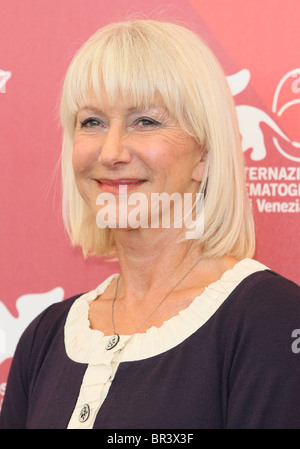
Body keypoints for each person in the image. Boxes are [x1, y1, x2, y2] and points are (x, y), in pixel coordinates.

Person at [0, 19, 299, 430]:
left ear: (204, 156)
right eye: (92, 122)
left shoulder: (272, 318)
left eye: (145, 122)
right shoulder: (45, 335)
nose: (111, 151)